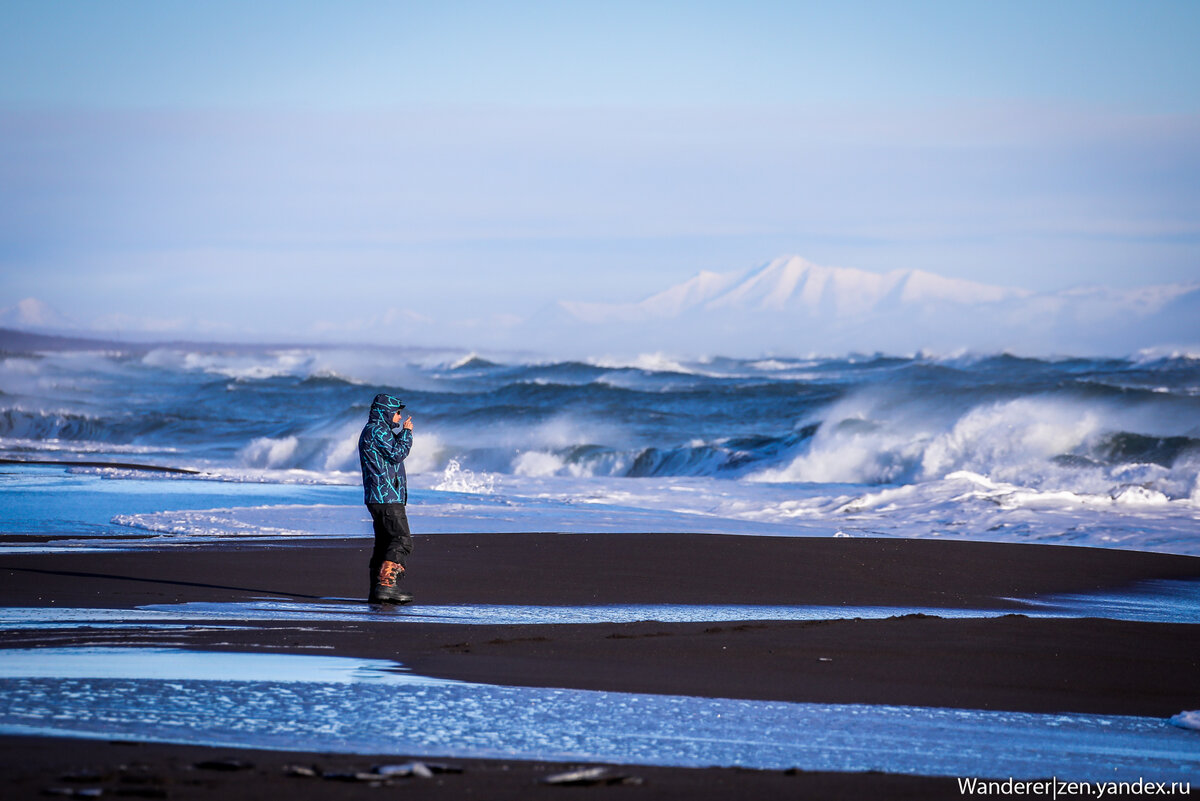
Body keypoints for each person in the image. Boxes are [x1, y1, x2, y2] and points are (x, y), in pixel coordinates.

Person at [358, 392, 414, 604]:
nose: (399, 417)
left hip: (380, 496)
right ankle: (386, 586)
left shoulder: (375, 431)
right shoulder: (377, 430)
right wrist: (407, 434)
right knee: (402, 540)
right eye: (397, 413)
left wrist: (400, 435)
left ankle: (377, 590)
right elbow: (398, 454)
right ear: (386, 412)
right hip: (386, 497)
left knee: (384, 543)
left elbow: (391, 452)